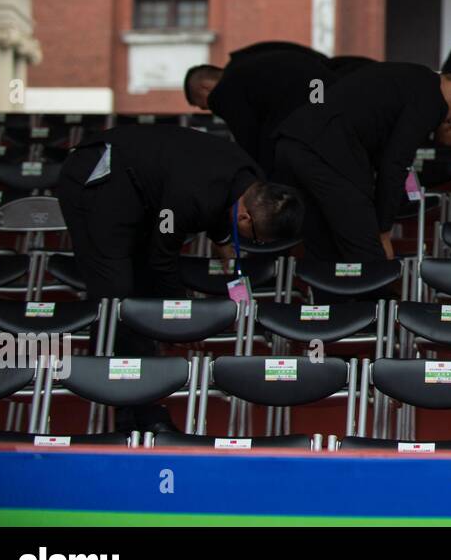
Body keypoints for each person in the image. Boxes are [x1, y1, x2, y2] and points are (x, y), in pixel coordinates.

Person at [56, 125, 304, 432]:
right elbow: (163, 259)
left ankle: (140, 400)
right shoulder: (193, 197)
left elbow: (220, 202)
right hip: (98, 178)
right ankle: (125, 407)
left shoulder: (249, 176)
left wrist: (224, 238)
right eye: (257, 238)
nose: (257, 244)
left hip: (141, 187)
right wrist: (184, 319)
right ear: (244, 217)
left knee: (141, 294)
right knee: (119, 296)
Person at [272, 63, 451, 262]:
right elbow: (395, 163)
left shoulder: (413, 79)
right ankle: (377, 301)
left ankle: (332, 301)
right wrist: (383, 231)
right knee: (368, 249)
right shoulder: (431, 98)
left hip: (292, 141)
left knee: (323, 242)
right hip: (325, 151)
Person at [183, 48, 334, 174]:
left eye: (204, 105)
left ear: (204, 88)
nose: (210, 109)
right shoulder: (251, 64)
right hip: (329, 92)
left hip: (308, 113)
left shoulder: (223, 92)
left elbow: (250, 142)